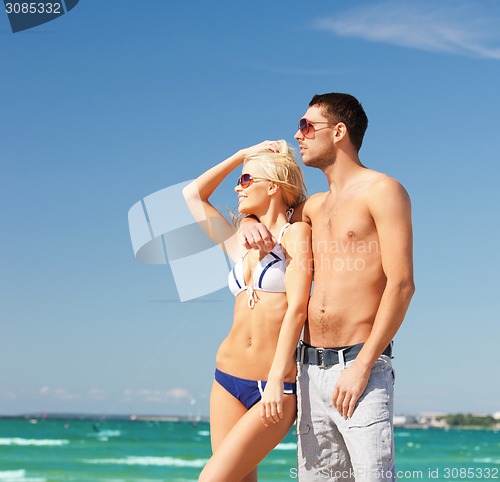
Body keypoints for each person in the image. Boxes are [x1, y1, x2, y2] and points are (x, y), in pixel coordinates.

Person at [240, 93, 415, 481]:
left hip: (359, 369)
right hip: (308, 371)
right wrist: (247, 221)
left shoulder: (383, 190)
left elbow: (402, 285)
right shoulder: (315, 206)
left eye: (306, 126)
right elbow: (269, 214)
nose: (298, 135)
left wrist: (364, 365)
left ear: (338, 132)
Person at [182, 140, 313, 482]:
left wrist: (274, 378)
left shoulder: (296, 234)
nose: (237, 189)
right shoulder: (240, 240)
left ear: (272, 186)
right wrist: (242, 155)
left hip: (273, 385)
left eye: (245, 180)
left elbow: (297, 309)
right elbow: (192, 195)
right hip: (226, 378)